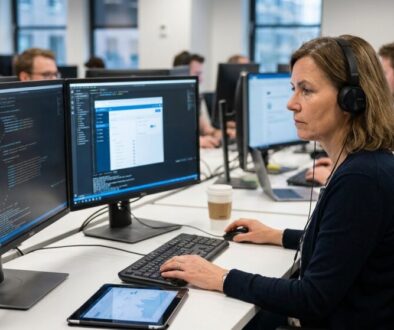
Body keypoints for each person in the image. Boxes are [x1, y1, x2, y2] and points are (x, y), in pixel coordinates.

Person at [161, 35, 394, 329]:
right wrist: (277, 234)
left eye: (306, 90)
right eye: (293, 89)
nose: (291, 104)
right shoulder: (367, 162)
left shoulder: (361, 180)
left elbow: (311, 298)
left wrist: (219, 277)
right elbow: (342, 244)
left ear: (352, 99)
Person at [306, 41, 394, 185]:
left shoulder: (361, 175)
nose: (380, 80)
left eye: (384, 72)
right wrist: (340, 165)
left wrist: (334, 178)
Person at [173, 50, 221, 148]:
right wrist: (196, 141)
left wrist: (219, 133)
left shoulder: (194, 97)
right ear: (181, 73)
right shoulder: (170, 101)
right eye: (197, 74)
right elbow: (170, 136)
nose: (201, 79)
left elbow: (206, 129)